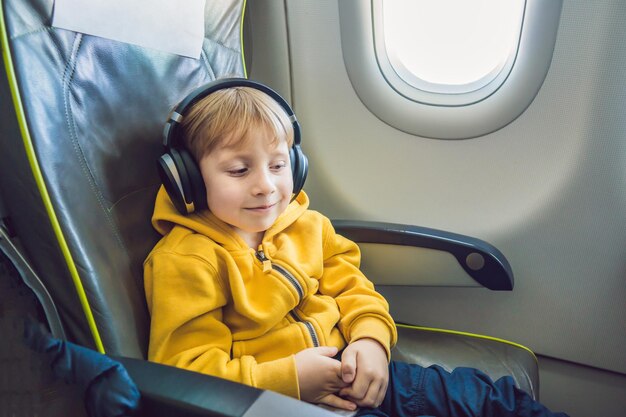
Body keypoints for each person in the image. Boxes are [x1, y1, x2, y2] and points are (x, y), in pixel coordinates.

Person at [144, 78, 569, 417]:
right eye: (239, 169)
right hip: (279, 402)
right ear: (188, 179)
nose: (266, 186)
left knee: (487, 399)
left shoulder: (307, 225)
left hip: (357, 368)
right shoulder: (186, 260)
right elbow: (188, 371)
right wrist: (291, 379)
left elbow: (355, 291)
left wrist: (371, 342)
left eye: (278, 165)